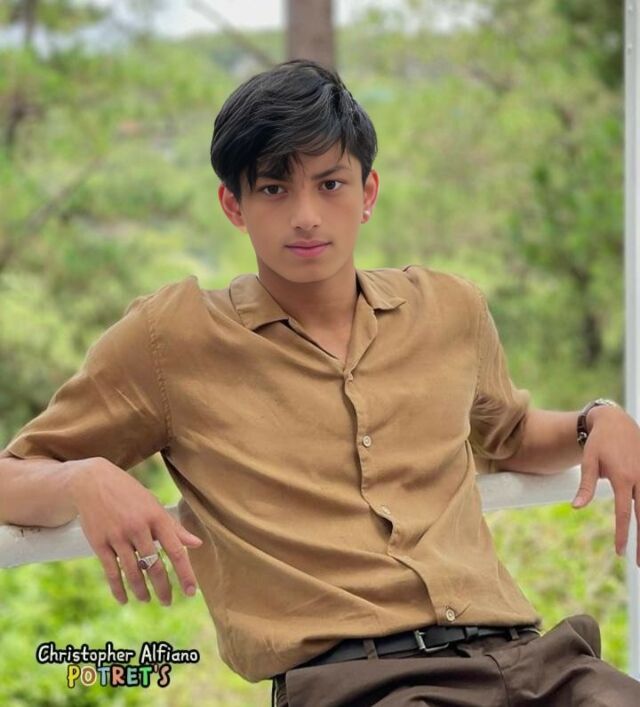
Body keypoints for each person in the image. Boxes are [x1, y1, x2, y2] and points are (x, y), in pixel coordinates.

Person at [1, 59, 640, 707]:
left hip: (530, 661)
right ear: (234, 205)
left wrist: (596, 419)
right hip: (360, 683)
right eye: (274, 189)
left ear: (368, 192)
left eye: (330, 184)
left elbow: (510, 434)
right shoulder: (172, 338)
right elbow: (11, 475)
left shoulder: (448, 308)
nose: (306, 215)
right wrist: (82, 478)